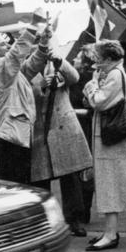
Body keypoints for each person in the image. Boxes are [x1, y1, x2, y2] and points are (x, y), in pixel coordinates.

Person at [82, 40, 126, 251]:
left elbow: (99, 101)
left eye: (99, 59)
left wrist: (91, 86)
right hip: (108, 138)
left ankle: (110, 234)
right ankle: (109, 231)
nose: (95, 64)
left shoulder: (114, 75)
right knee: (108, 183)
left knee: (110, 184)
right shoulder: (112, 73)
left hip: (112, 140)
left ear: (110, 59)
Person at [31, 54, 94, 237]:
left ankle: (74, 220)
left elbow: (74, 77)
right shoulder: (28, 68)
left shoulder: (58, 66)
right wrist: (43, 85)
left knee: (70, 176)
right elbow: (29, 92)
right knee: (41, 179)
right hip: (39, 129)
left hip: (62, 127)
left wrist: (60, 63)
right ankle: (44, 221)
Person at [0, 28, 50, 184]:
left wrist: (43, 43)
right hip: (10, 135)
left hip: (16, 134)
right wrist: (33, 28)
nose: (8, 46)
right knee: (10, 184)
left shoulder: (11, 72)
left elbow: (31, 65)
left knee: (16, 182)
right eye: (2, 45)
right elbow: (15, 55)